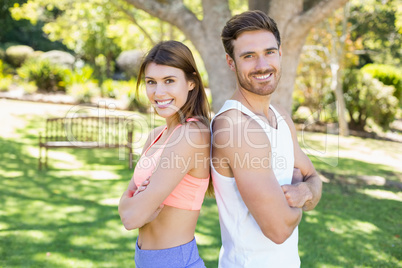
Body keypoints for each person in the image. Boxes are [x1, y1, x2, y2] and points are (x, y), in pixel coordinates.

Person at [210, 10, 323, 267]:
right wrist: (303, 196)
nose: (262, 65)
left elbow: (315, 180)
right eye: (249, 56)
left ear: (280, 54)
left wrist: (304, 189)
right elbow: (279, 229)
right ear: (231, 62)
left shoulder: (280, 117)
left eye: (269, 52)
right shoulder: (236, 127)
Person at [118, 40, 211, 268]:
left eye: (169, 81)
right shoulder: (156, 136)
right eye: (151, 82)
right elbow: (126, 208)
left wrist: (136, 204)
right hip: (145, 260)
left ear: (191, 82)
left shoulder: (191, 134)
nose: (159, 92)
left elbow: (131, 219)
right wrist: (134, 205)